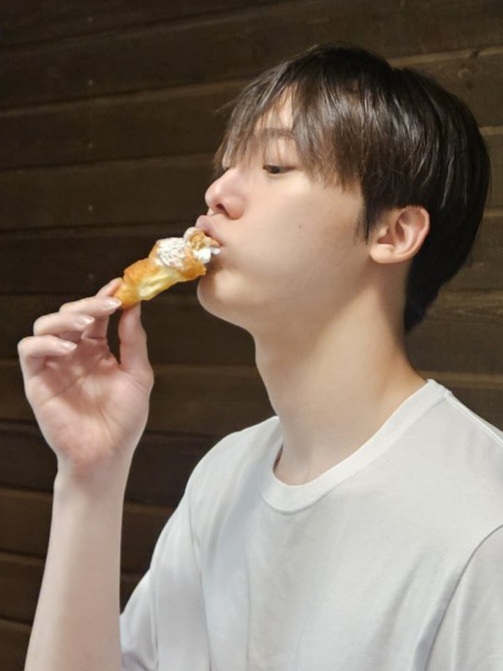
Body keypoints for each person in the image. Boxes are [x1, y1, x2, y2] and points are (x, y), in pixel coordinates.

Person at [18, 43, 502, 671]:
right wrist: (90, 478)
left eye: (275, 165)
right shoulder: (223, 477)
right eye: (227, 165)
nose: (217, 192)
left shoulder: (481, 524)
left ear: (393, 233)